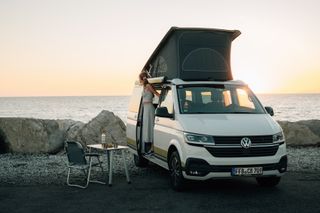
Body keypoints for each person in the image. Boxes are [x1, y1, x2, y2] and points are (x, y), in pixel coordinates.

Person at [139, 72, 160, 154]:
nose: (139, 81)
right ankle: (148, 147)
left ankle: (152, 147)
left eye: (140, 79)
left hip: (149, 108)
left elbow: (157, 94)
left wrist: (163, 100)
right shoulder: (144, 86)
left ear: (143, 78)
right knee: (147, 127)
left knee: (150, 127)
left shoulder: (148, 86)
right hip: (146, 109)